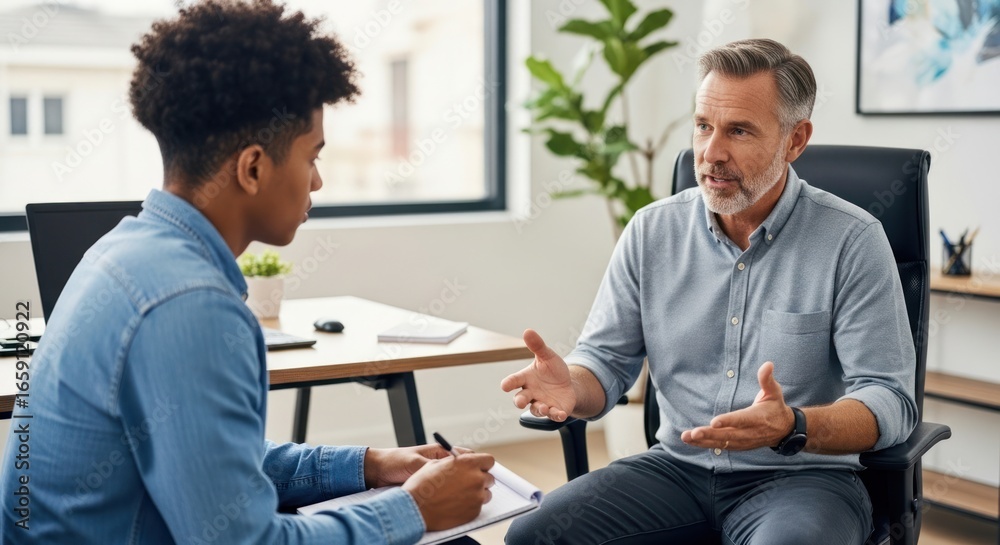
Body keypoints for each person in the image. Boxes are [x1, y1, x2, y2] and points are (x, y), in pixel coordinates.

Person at [0, 1, 493, 543]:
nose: (318, 183)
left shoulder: (122, 251)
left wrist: (370, 466)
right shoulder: (188, 303)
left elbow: (207, 458)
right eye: (313, 157)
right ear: (253, 167)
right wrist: (414, 508)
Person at [502, 38, 917, 544]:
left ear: (795, 140)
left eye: (738, 130)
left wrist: (794, 425)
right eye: (703, 126)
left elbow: (890, 399)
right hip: (674, 472)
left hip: (804, 480)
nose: (711, 153)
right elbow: (604, 361)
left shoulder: (852, 240)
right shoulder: (652, 230)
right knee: (533, 536)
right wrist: (574, 385)